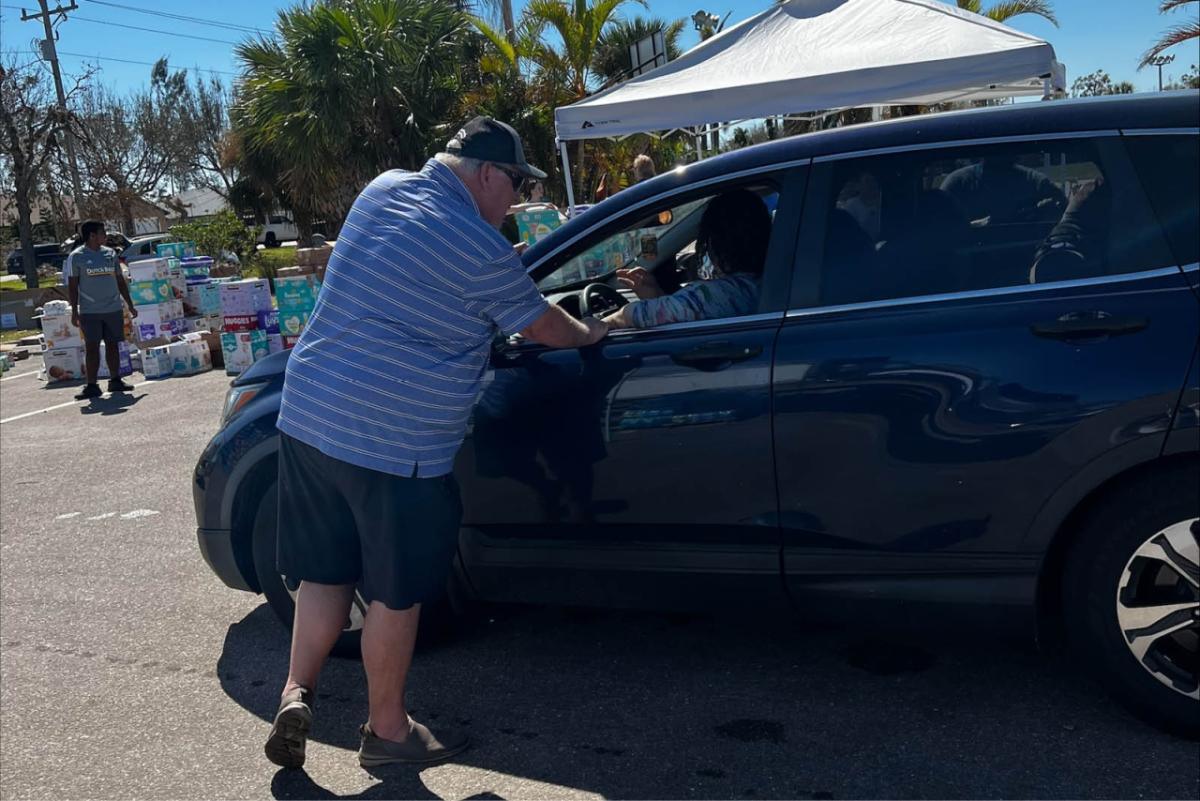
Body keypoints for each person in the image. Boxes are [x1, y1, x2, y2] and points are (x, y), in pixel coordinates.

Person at [265, 116, 607, 770]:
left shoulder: (382, 191)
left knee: (326, 570)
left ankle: (295, 691)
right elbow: (543, 326)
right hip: (394, 440)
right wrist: (593, 331)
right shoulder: (475, 246)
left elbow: (409, 274)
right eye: (513, 183)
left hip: (308, 414)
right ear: (483, 173)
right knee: (396, 590)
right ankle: (387, 730)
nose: (515, 201)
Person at [602, 189, 770, 330]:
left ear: (717, 244)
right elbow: (683, 311)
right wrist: (656, 295)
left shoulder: (724, 293)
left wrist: (596, 327)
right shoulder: (764, 283)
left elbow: (635, 315)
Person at [66, 220, 137, 400]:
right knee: (92, 347)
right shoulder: (77, 256)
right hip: (90, 311)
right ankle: (92, 385)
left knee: (113, 344)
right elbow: (73, 286)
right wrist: (74, 311)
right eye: (102, 233)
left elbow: (120, 280)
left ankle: (115, 380)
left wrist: (130, 303)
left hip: (112, 308)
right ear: (91, 236)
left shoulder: (110, 254)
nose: (105, 236)